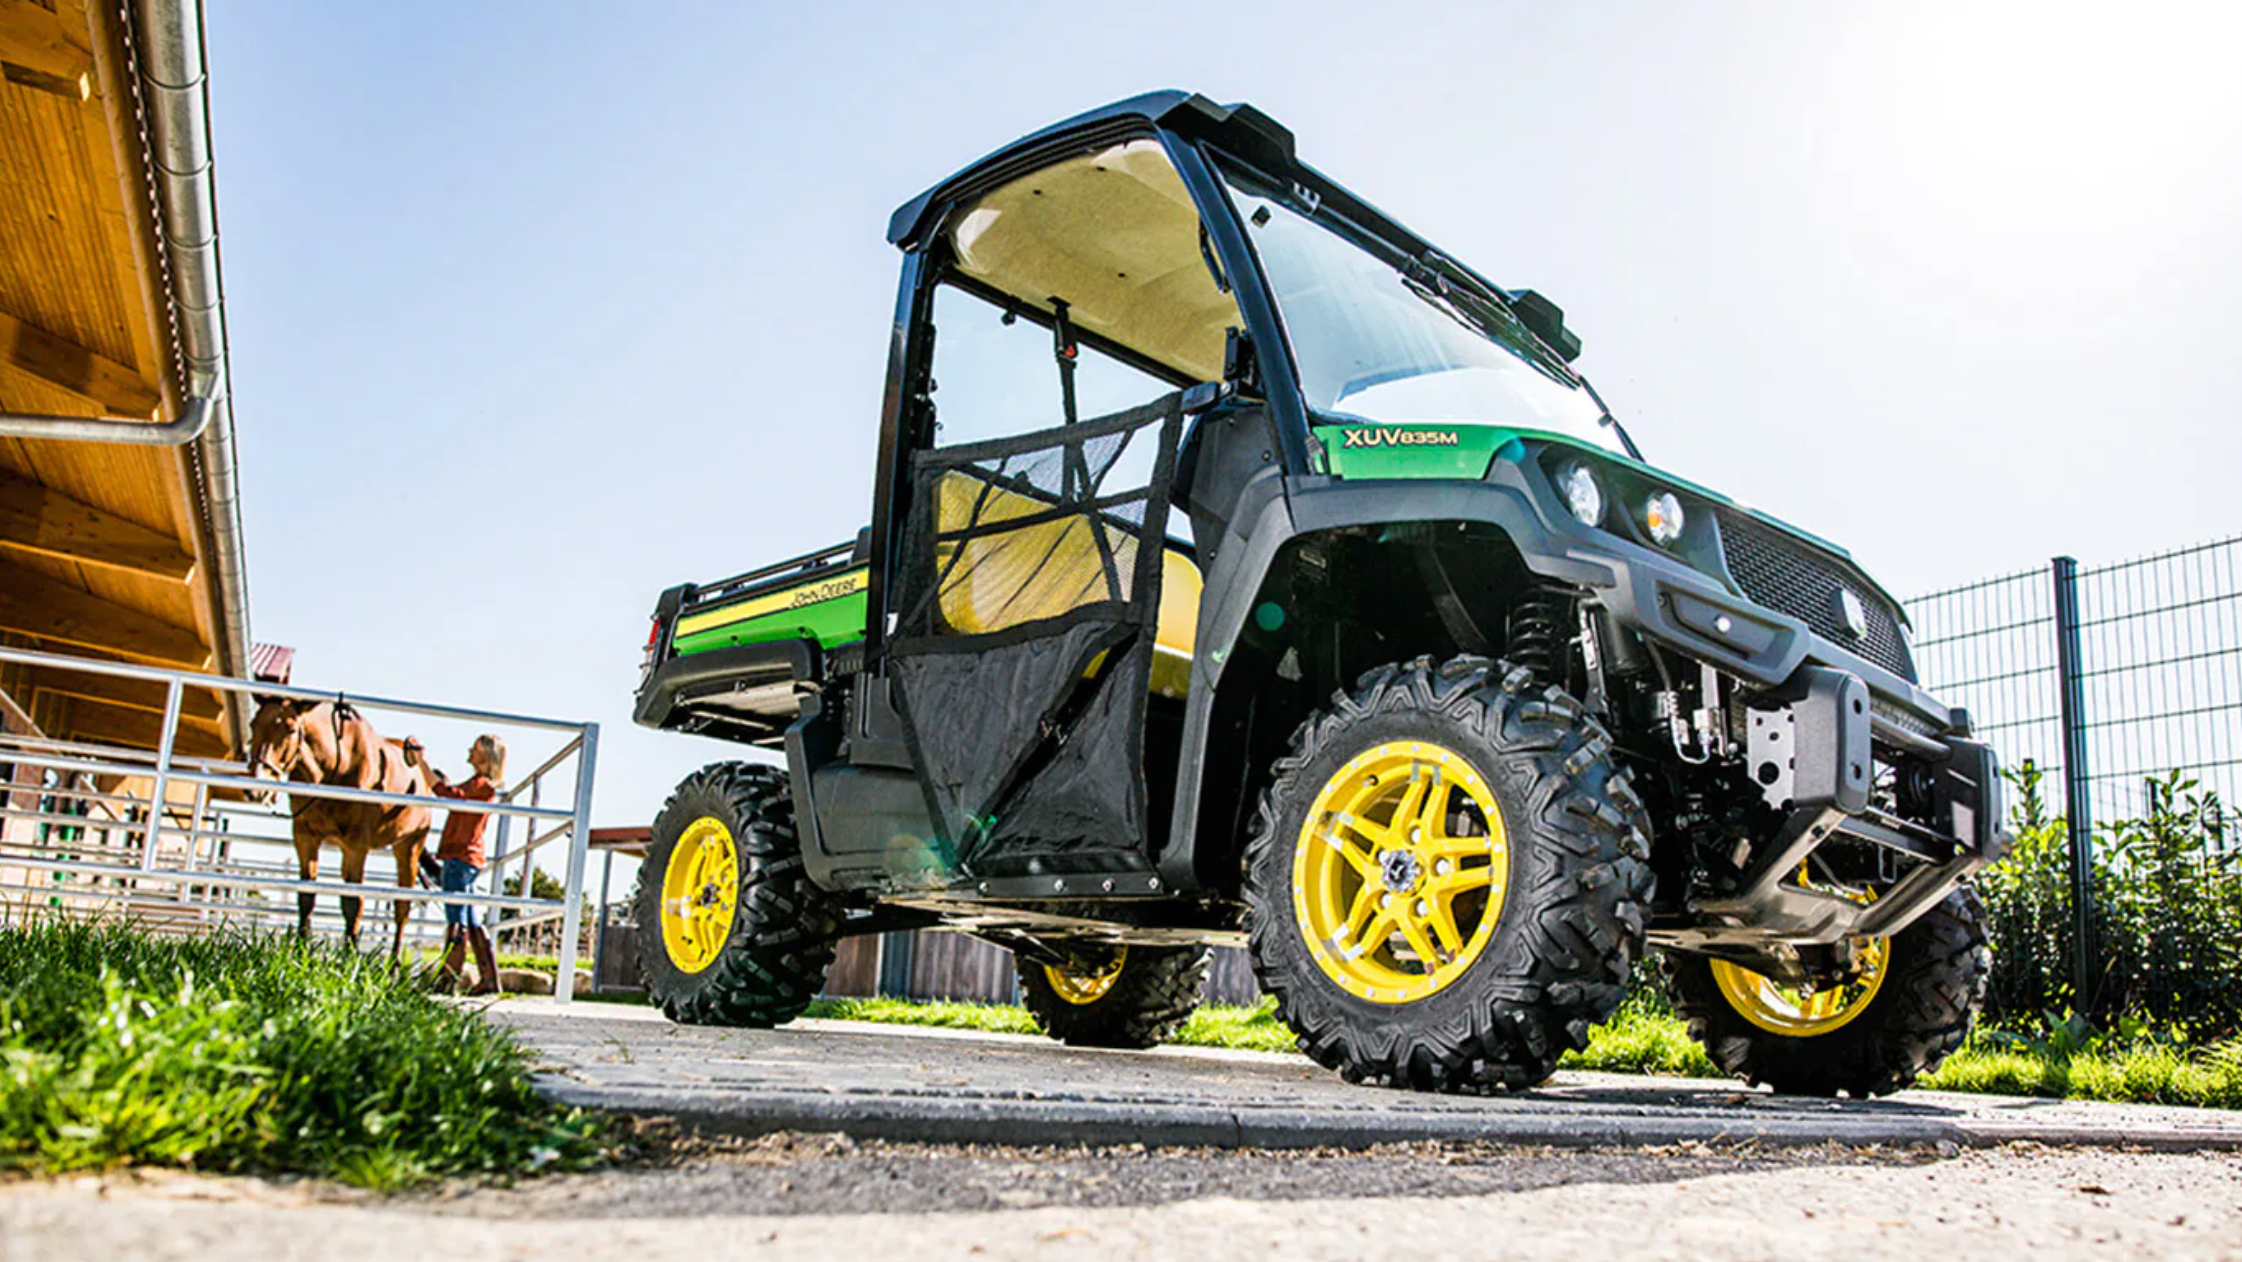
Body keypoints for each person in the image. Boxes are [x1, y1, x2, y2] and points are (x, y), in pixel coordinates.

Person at [422, 734, 506, 994]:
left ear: (486, 756)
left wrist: (421, 763)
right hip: (466, 857)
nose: (470, 750)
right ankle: (489, 978)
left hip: (460, 857)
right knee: (469, 919)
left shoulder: (481, 785)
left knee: (456, 919)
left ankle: (448, 979)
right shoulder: (479, 785)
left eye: (476, 748)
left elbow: (447, 795)